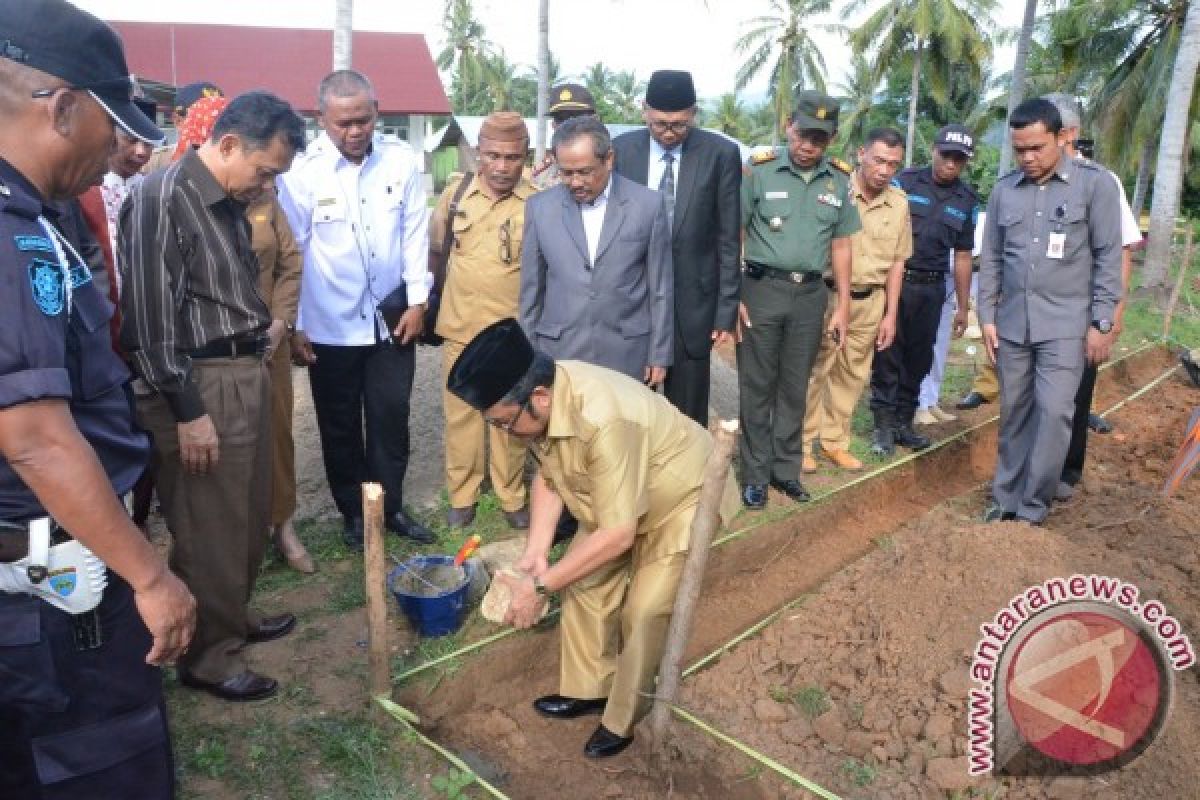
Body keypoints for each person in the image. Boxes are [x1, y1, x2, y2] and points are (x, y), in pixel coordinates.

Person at [0, 2, 196, 796]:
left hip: (48, 559)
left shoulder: (39, 217)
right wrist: (150, 578)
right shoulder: (11, 236)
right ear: (65, 107)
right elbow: (37, 439)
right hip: (52, 579)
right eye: (111, 123)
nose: (120, 147)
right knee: (99, 761)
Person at [445, 318, 740, 759]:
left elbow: (619, 534)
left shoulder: (602, 416)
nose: (504, 433)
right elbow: (550, 475)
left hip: (683, 496)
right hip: (614, 493)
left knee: (644, 611)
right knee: (584, 581)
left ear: (538, 399)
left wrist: (540, 587)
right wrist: (537, 553)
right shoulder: (543, 397)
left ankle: (624, 717)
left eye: (505, 424)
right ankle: (591, 688)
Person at [120, 91, 306, 701]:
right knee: (209, 526)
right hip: (198, 384)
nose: (266, 185)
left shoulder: (224, 198)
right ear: (228, 145)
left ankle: (230, 614)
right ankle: (208, 655)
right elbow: (148, 323)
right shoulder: (162, 197)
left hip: (240, 370)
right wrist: (188, 413)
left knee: (247, 513)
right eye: (265, 171)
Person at [278, 69, 435, 549]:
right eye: (342, 123)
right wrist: (297, 325)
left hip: (392, 320)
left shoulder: (401, 162)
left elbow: (414, 234)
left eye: (363, 121)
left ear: (376, 112)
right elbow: (294, 252)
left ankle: (389, 509)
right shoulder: (301, 174)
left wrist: (417, 300)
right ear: (321, 119)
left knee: (391, 420)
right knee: (339, 424)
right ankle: (353, 513)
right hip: (329, 324)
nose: (354, 132)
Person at [977, 98, 1122, 524]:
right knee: (1015, 412)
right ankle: (1004, 500)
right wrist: (987, 316)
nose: (1028, 157)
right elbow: (994, 259)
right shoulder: (1005, 190)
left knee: (1056, 411)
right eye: (1020, 149)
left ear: (1062, 137)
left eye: (1037, 148)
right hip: (1013, 324)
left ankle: (1033, 507)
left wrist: (1101, 323)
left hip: (1067, 325)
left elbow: (1108, 258)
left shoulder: (1095, 186)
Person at [737, 91, 859, 509]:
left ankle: (784, 471)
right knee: (758, 386)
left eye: (819, 139)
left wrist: (842, 304)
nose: (808, 146)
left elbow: (841, 245)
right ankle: (753, 474)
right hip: (761, 290)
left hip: (810, 296)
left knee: (794, 387)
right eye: (803, 135)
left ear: (832, 139)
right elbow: (735, 232)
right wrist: (734, 293)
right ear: (789, 125)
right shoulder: (759, 171)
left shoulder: (839, 180)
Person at [612, 69, 742, 426]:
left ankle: (685, 482)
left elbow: (728, 239)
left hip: (693, 308)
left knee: (687, 418)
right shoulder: (621, 151)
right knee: (632, 412)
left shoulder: (720, 154)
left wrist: (725, 311)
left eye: (679, 125)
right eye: (660, 124)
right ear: (644, 111)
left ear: (694, 114)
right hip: (634, 302)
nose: (669, 133)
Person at [434, 112, 535, 530]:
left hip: (510, 334)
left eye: (511, 157)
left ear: (524, 156)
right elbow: (436, 252)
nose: (501, 166)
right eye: (492, 155)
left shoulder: (538, 201)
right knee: (461, 418)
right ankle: (463, 494)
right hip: (459, 327)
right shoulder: (456, 194)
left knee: (509, 416)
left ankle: (512, 496)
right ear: (478, 151)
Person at [519, 115, 674, 383]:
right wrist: (528, 355)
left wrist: (659, 354)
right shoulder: (540, 208)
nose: (575, 183)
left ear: (609, 159)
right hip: (560, 351)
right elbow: (531, 290)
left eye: (585, 172)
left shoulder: (648, 205)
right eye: (566, 173)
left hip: (626, 353)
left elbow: (660, 288)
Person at [1041, 95, 1142, 497]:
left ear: (1069, 134)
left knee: (1075, 394)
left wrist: (1112, 313)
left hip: (1083, 309)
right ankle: (1031, 470)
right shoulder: (1031, 179)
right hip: (1039, 308)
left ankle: (1066, 470)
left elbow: (1120, 251)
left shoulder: (1101, 181)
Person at [803, 127, 911, 472]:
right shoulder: (833, 191)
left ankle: (835, 441)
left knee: (852, 373)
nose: (884, 170)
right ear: (861, 154)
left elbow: (898, 263)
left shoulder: (899, 203)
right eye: (878, 160)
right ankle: (802, 443)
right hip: (829, 296)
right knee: (815, 370)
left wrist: (891, 314)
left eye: (893, 164)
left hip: (871, 301)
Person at [869, 125, 979, 455]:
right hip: (897, 282)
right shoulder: (905, 181)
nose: (951, 163)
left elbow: (962, 256)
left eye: (959, 159)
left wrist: (962, 306)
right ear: (933, 150)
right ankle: (883, 428)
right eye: (946, 155)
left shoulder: (967, 200)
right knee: (888, 355)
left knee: (919, 358)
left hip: (933, 288)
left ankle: (904, 423)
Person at [77, 96, 157, 339]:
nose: (141, 152)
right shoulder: (82, 191)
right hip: (101, 323)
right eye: (131, 140)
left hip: (152, 325)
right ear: (110, 137)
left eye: (149, 143)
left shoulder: (156, 191)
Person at [143, 80, 223, 174]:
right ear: (178, 121)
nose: (212, 126)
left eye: (220, 117)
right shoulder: (151, 164)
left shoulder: (231, 163)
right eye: (202, 118)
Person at [530, 83, 598, 190]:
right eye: (561, 118)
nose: (569, 124)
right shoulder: (542, 175)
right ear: (553, 125)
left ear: (595, 120)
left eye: (578, 117)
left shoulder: (614, 165)